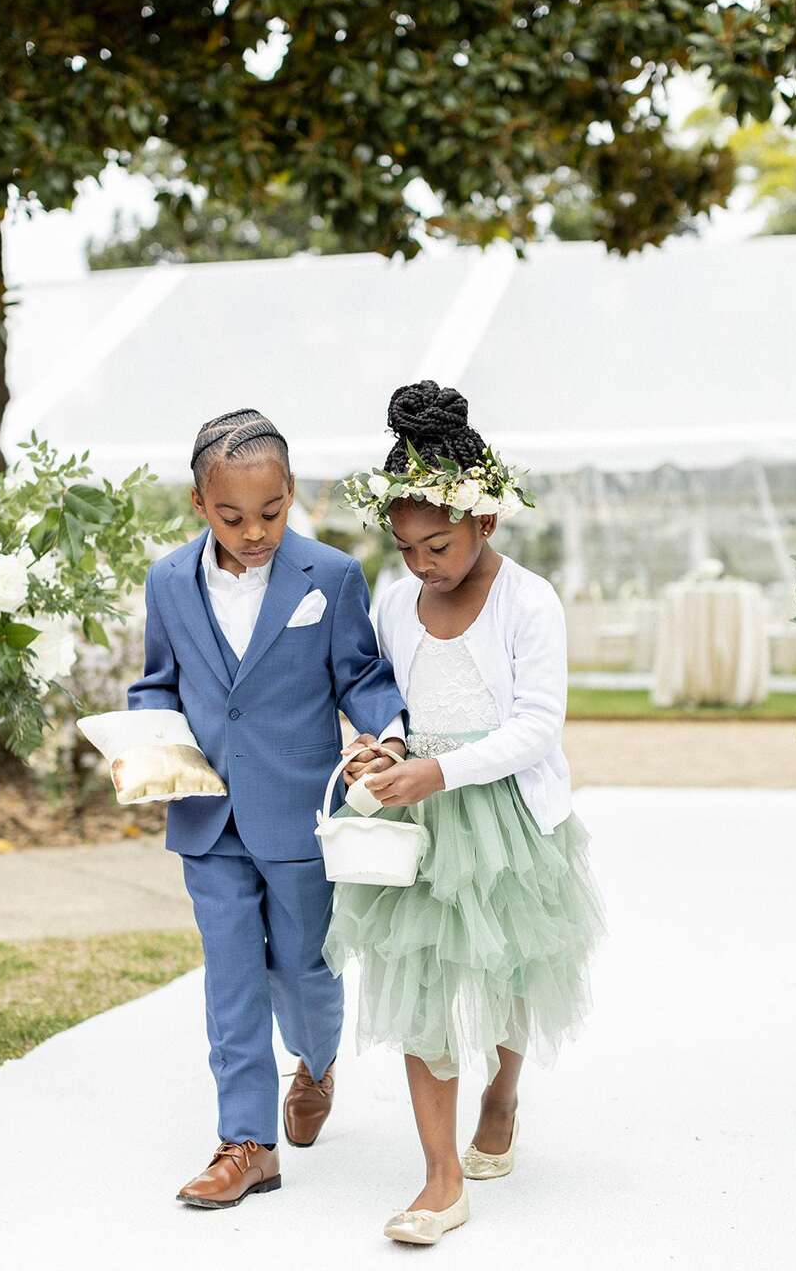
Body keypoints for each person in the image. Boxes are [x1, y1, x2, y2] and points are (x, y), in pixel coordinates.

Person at [323, 380, 608, 1245]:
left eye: (437, 545)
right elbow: (390, 696)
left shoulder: (529, 601)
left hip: (506, 818)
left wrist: (440, 769)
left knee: (515, 971)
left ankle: (504, 1092)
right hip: (421, 817)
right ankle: (441, 1179)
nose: (421, 564)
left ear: (486, 521)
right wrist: (386, 745)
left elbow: (536, 726)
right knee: (418, 986)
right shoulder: (393, 595)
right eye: (405, 547)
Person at [126, 409, 407, 1208]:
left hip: (299, 816)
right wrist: (144, 740)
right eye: (232, 516)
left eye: (272, 513)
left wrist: (385, 737)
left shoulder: (332, 576)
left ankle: (316, 1063)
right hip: (206, 815)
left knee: (304, 967)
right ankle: (245, 1143)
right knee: (233, 977)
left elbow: (360, 676)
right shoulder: (169, 582)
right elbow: (158, 681)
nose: (255, 532)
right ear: (197, 504)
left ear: (293, 494)